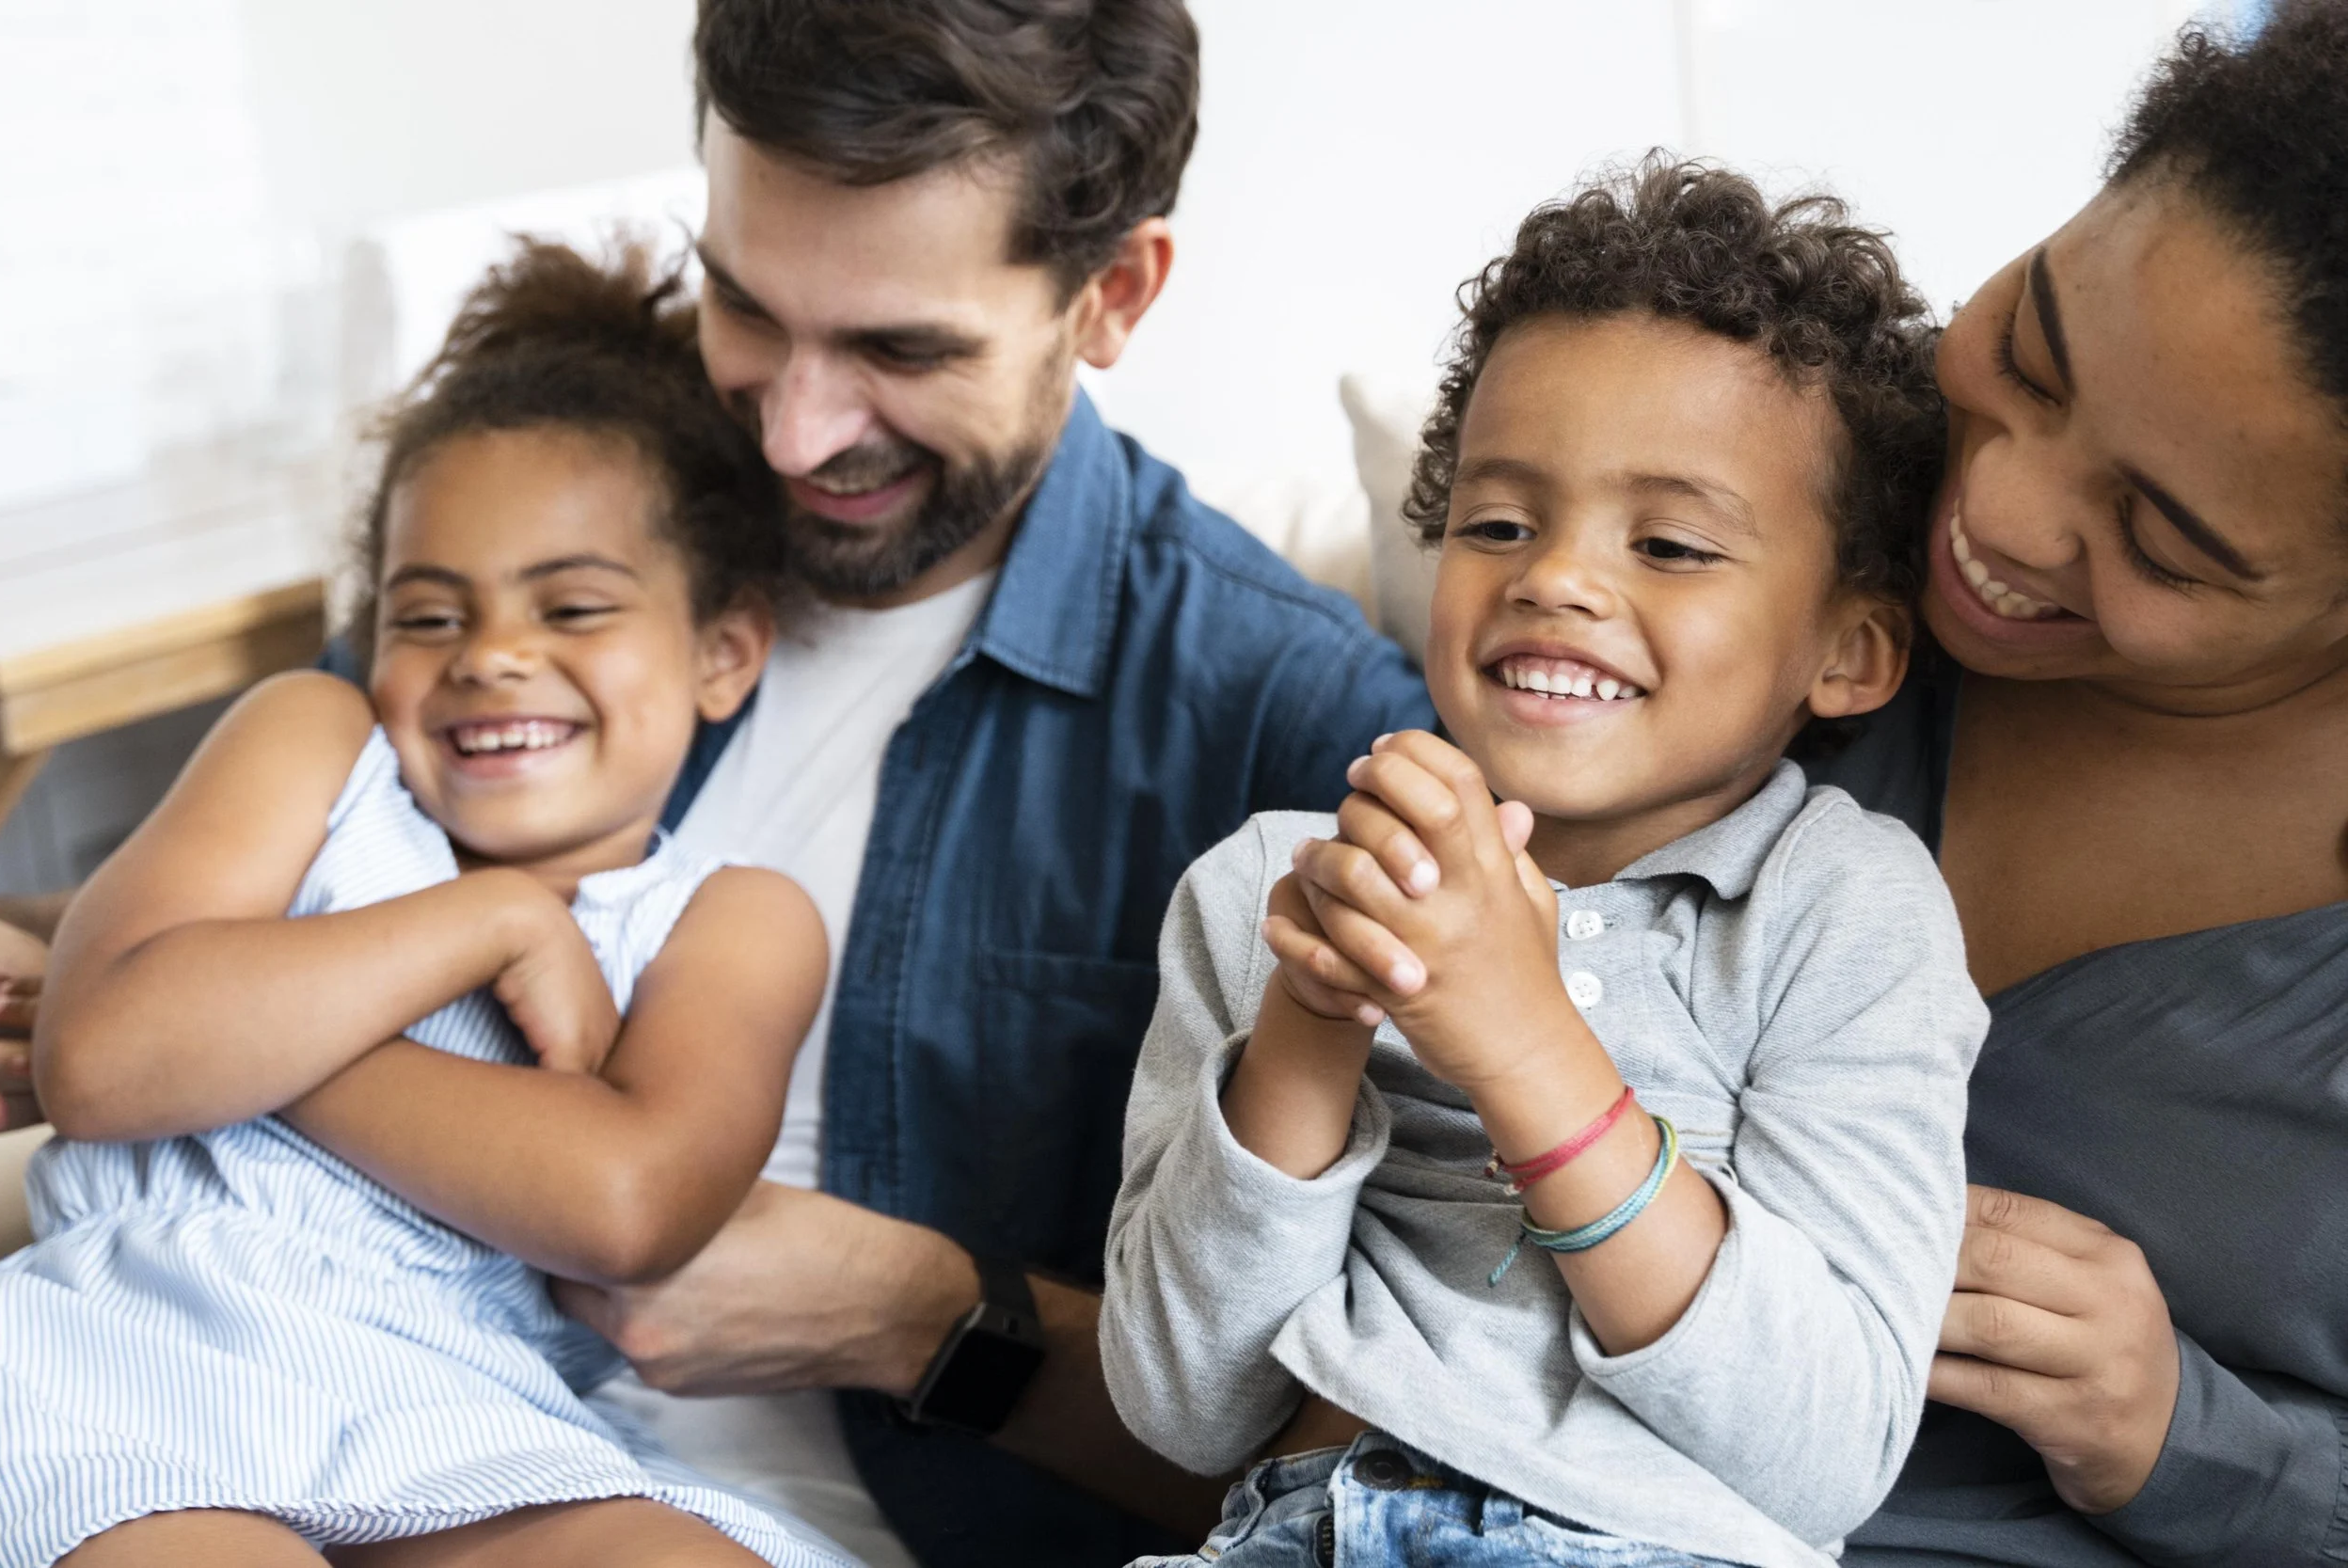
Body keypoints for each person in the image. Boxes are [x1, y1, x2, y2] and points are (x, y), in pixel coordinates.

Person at [540, 4, 1439, 1566]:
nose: (794, 426)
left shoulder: (1290, 729)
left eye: (902, 349)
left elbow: (1394, 1472)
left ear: (1113, 295)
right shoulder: (571, 509)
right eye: (744, 304)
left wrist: (920, 1319)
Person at [1103, 163, 1986, 1568]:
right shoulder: (1272, 885)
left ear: (1850, 649)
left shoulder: (1845, 909)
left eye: (1672, 543)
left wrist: (1525, 1042)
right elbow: (1185, 1403)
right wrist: (1312, 1021)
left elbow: (1823, 1457)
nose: (1556, 578)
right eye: (1499, 522)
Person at [0, 243, 846, 1566]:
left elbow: (626, 1201)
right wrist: (488, 921)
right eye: (429, 617)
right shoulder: (314, 744)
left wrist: (232, 1033)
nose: (495, 655)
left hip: (469, 1403)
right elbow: (102, 1060)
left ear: (721, 652)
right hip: (127, 1346)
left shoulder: (731, 920)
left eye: (571, 604)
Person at [1818, 5, 2348, 1562]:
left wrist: (2189, 1436)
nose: (1994, 506)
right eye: (2031, 353)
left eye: (2162, 539)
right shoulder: (1794, 503)